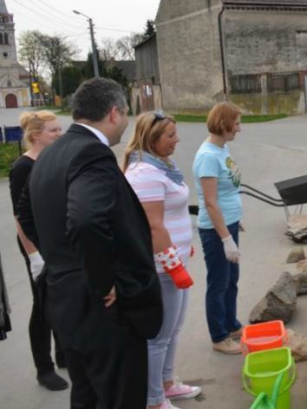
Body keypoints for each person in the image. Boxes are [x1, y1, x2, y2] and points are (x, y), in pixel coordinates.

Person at [17, 78, 163, 408]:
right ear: (113, 113)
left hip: (66, 301)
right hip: (104, 311)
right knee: (118, 396)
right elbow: (84, 218)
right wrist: (101, 279)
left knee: (86, 395)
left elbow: (25, 211)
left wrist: (61, 258)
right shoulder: (91, 154)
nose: (126, 122)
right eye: (126, 113)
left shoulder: (52, 154)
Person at [124, 111, 202, 408]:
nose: (177, 139)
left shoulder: (161, 166)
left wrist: (185, 245)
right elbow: (153, 226)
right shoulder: (144, 173)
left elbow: (172, 214)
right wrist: (174, 264)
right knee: (158, 336)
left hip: (174, 261)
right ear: (152, 138)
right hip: (162, 268)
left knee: (174, 328)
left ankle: (167, 384)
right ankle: (153, 398)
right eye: (170, 135)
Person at [8, 110, 68, 390]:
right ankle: (44, 367)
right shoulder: (23, 167)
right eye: (53, 130)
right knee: (43, 304)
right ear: (36, 136)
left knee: (62, 298)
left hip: (57, 241)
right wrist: (33, 255)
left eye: (59, 129)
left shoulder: (53, 161)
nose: (59, 134)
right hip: (36, 244)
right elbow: (20, 216)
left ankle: (64, 353)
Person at [193, 102, 244, 355]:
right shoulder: (207, 157)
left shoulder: (222, 149)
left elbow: (229, 190)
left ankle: (231, 323)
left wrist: (235, 220)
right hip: (215, 232)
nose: (239, 129)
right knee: (219, 282)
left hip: (229, 224)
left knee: (232, 279)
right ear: (224, 124)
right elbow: (211, 203)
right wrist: (225, 238)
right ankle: (219, 335)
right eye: (236, 123)